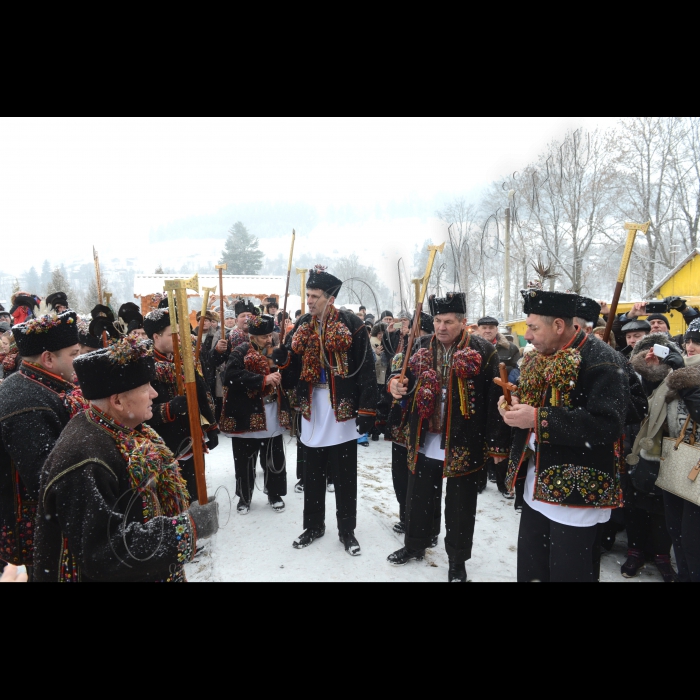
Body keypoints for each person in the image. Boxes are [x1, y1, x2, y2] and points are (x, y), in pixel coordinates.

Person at [33, 337, 219, 583]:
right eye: (145, 388)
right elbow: (104, 553)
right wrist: (186, 528)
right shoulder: (87, 458)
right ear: (117, 401)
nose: (154, 394)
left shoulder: (123, 429)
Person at [503, 291, 629, 583]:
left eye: (533, 327)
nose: (527, 335)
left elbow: (607, 425)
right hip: (537, 486)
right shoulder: (540, 356)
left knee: (568, 573)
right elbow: (535, 401)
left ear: (558, 326)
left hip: (576, 494)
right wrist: (514, 405)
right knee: (533, 570)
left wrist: (536, 418)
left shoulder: (602, 361)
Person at [386, 293, 510, 583]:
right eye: (438, 321)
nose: (441, 327)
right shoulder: (419, 345)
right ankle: (415, 544)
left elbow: (495, 400)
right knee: (417, 496)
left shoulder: (483, 350)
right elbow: (399, 374)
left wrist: (496, 444)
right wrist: (395, 384)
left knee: (460, 505)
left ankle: (457, 561)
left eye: (449, 322)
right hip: (424, 434)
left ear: (464, 323)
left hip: (464, 438)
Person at [275, 266, 377, 557]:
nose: (309, 301)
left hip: (341, 408)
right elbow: (292, 372)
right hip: (311, 408)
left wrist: (368, 409)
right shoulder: (302, 325)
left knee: (345, 475)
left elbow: (366, 369)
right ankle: (313, 526)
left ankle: (347, 530)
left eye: (315, 296)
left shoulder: (352, 324)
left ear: (330, 298)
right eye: (307, 295)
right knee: (313, 473)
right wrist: (283, 360)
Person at [0, 311, 87, 578]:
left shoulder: (40, 384)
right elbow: (46, 480)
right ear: (48, 358)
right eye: (73, 354)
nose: (79, 360)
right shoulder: (26, 402)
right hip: (41, 530)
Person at [621, 333, 682, 581]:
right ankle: (634, 551)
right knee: (634, 500)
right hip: (635, 443)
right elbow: (637, 402)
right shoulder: (633, 371)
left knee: (662, 506)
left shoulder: (680, 372)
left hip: (668, 448)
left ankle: (661, 555)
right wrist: (648, 370)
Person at [143, 308, 219, 498]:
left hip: (192, 440)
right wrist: (169, 408)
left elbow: (201, 395)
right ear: (155, 336)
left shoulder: (184, 361)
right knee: (174, 501)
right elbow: (139, 414)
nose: (178, 339)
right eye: (172, 335)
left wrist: (210, 427)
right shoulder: (144, 367)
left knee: (194, 493)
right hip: (165, 447)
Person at [222, 315, 290, 515]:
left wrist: (285, 363)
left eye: (270, 335)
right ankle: (244, 497)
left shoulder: (275, 351)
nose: (268, 339)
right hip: (247, 413)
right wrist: (262, 379)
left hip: (271, 413)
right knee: (244, 460)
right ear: (251, 336)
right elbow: (230, 376)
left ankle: (275, 493)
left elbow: (288, 373)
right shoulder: (240, 352)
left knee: (274, 457)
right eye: (263, 337)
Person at [377, 311, 434, 536]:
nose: (414, 336)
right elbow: (391, 375)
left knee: (423, 481)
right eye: (412, 331)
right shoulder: (403, 355)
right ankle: (404, 514)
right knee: (400, 476)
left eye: (419, 331)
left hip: (423, 431)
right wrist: (393, 385)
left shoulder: (434, 358)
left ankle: (427, 526)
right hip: (401, 426)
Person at [661, 319, 700, 582]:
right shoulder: (680, 371)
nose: (690, 346)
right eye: (688, 340)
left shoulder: (684, 375)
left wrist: (683, 378)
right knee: (676, 531)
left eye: (697, 341)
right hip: (678, 458)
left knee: (693, 539)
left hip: (696, 463)